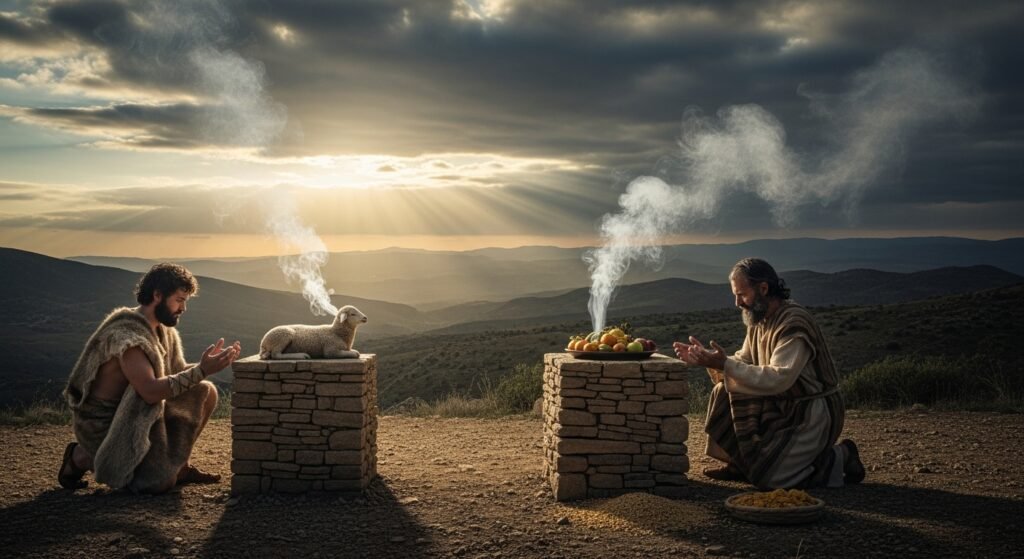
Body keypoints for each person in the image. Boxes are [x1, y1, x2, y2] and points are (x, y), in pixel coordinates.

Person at [674, 258, 864, 489]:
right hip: (776, 404)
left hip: (808, 412)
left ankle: (839, 456)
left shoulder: (793, 323)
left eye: (742, 294)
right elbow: (744, 361)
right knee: (723, 390)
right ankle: (740, 464)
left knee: (770, 480)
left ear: (763, 288)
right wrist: (708, 359)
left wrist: (725, 364)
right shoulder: (759, 320)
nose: (737, 303)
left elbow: (778, 378)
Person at [59, 263, 241, 493]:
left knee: (205, 391)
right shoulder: (127, 337)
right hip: (105, 426)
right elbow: (150, 391)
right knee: (158, 484)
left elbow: (177, 373)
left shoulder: (164, 331)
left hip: (137, 412)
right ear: (157, 295)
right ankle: (83, 456)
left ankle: (180, 466)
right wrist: (202, 370)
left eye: (185, 301)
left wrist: (211, 364)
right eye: (179, 300)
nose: (183, 308)